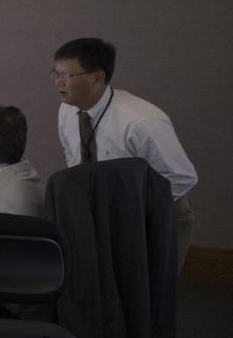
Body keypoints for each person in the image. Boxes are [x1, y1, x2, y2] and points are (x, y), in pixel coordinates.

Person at [52, 37, 196, 270]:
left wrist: (135, 213)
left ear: (97, 77)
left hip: (160, 212)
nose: (59, 82)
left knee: (155, 291)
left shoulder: (142, 121)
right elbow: (74, 160)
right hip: (112, 212)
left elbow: (181, 177)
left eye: (66, 75)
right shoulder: (67, 111)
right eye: (56, 74)